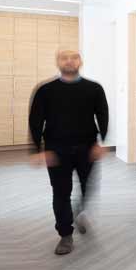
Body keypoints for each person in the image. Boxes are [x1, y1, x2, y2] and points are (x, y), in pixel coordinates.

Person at [29, 49, 109, 255]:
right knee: (61, 193)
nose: (69, 61)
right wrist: (37, 150)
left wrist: (101, 142)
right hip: (57, 151)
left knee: (88, 187)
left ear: (80, 61)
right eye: (64, 58)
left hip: (87, 149)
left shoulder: (94, 88)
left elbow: (103, 114)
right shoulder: (45, 90)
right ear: (58, 62)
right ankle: (65, 235)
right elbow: (35, 120)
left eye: (74, 57)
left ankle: (79, 211)